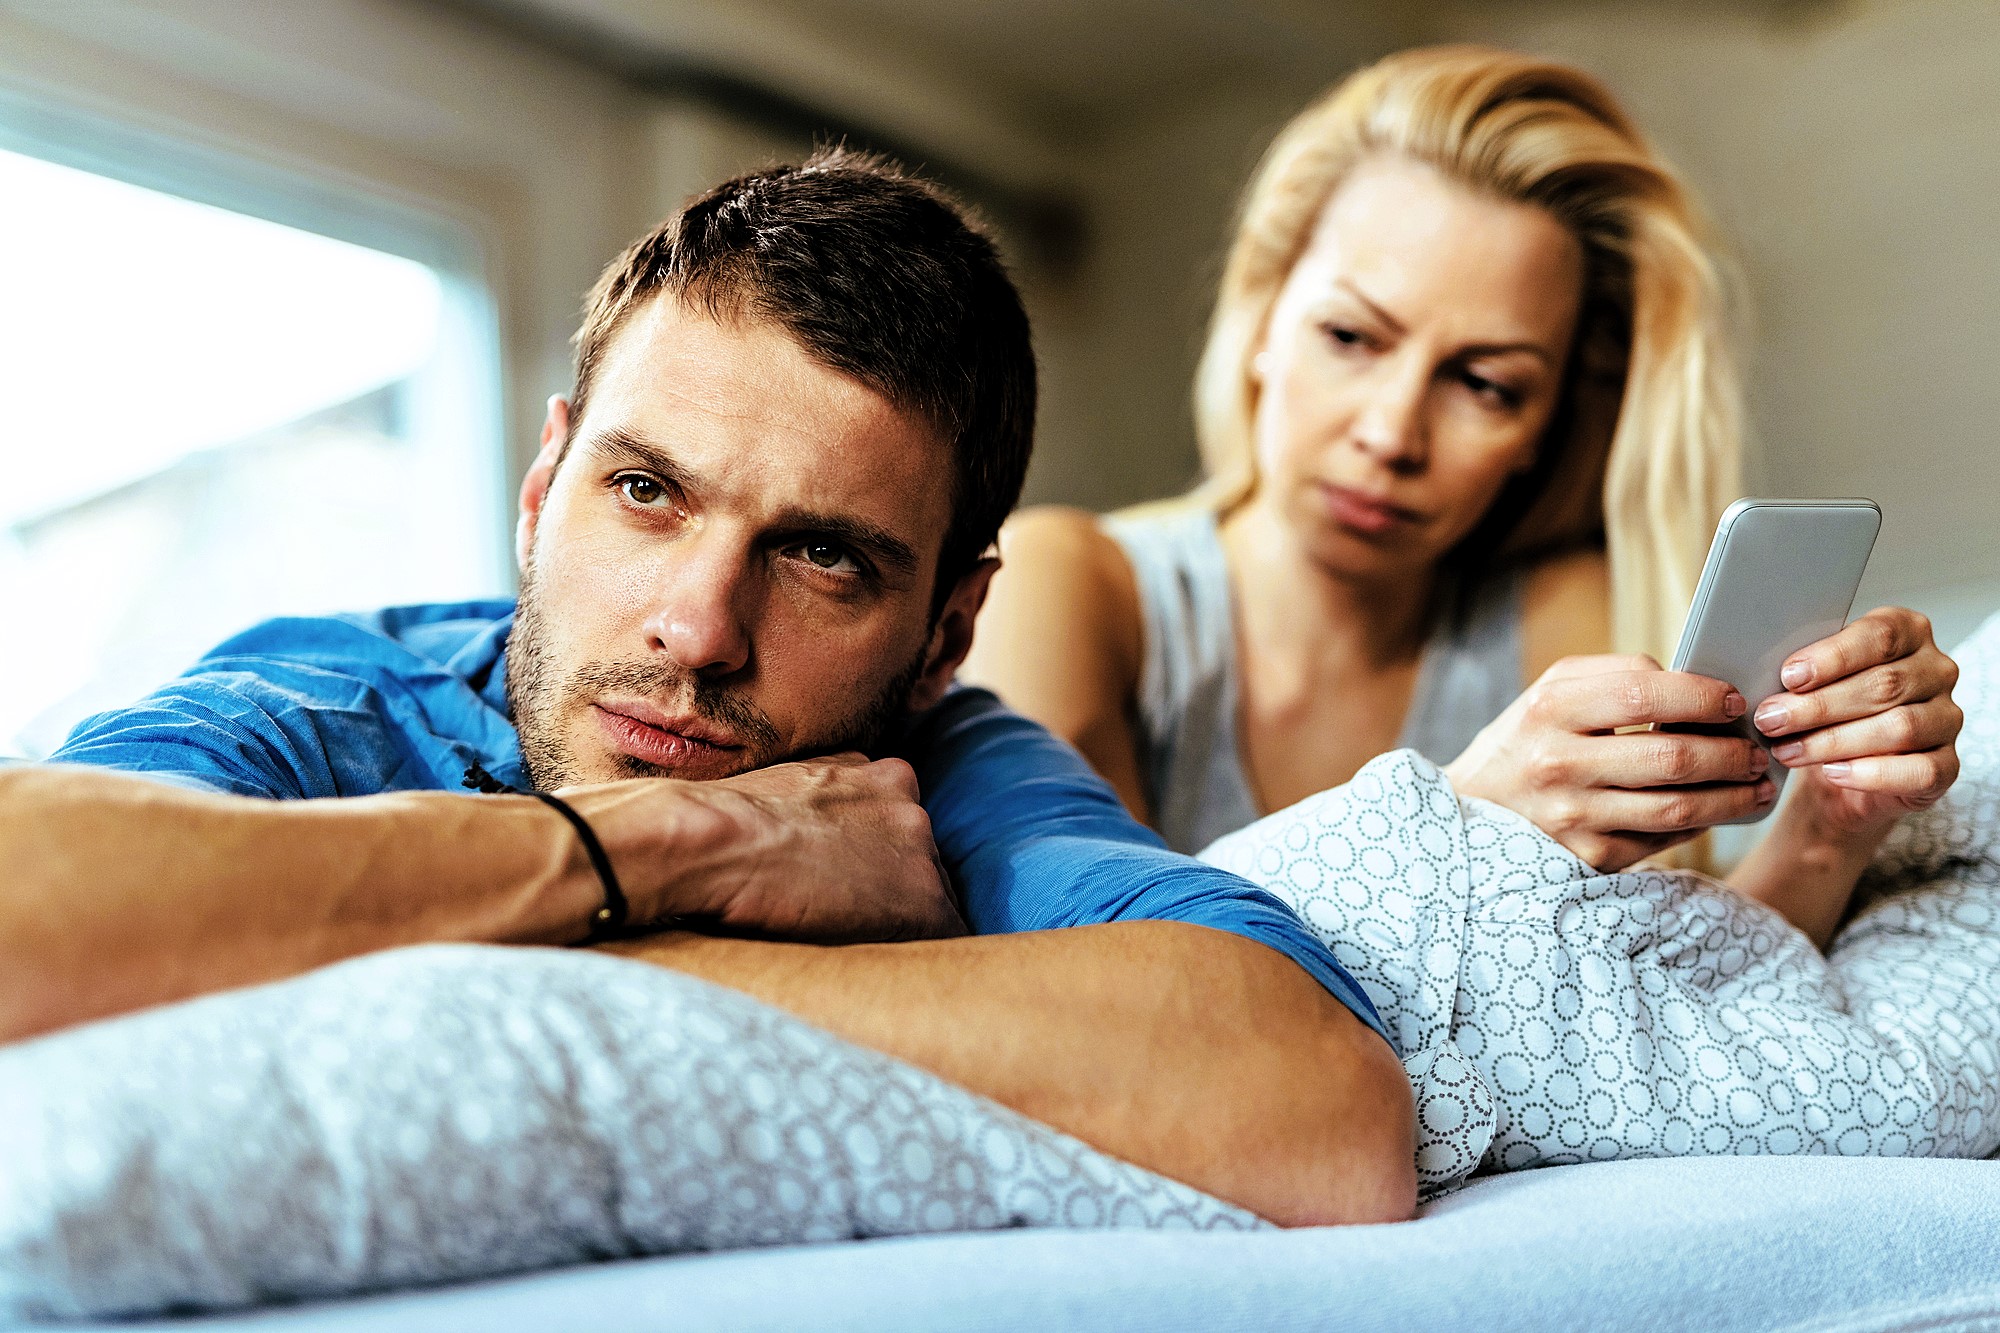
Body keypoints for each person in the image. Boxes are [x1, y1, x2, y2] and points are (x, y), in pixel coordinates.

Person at [0, 150, 1416, 1229]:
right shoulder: (335, 698)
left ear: (945, 630)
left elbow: (1318, 1107)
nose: (697, 629)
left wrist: (542, 949)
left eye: (821, 558)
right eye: (644, 491)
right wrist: (690, 844)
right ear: (544, 488)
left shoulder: (949, 769)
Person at [961, 45, 1959, 942]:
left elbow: (1673, 1037)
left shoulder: (1557, 623)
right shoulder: (1068, 584)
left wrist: (1832, 823)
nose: (1390, 434)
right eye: (1350, 338)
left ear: (1540, 432)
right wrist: (1455, 817)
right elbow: (1102, 970)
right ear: (1261, 321)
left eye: (1485, 384)